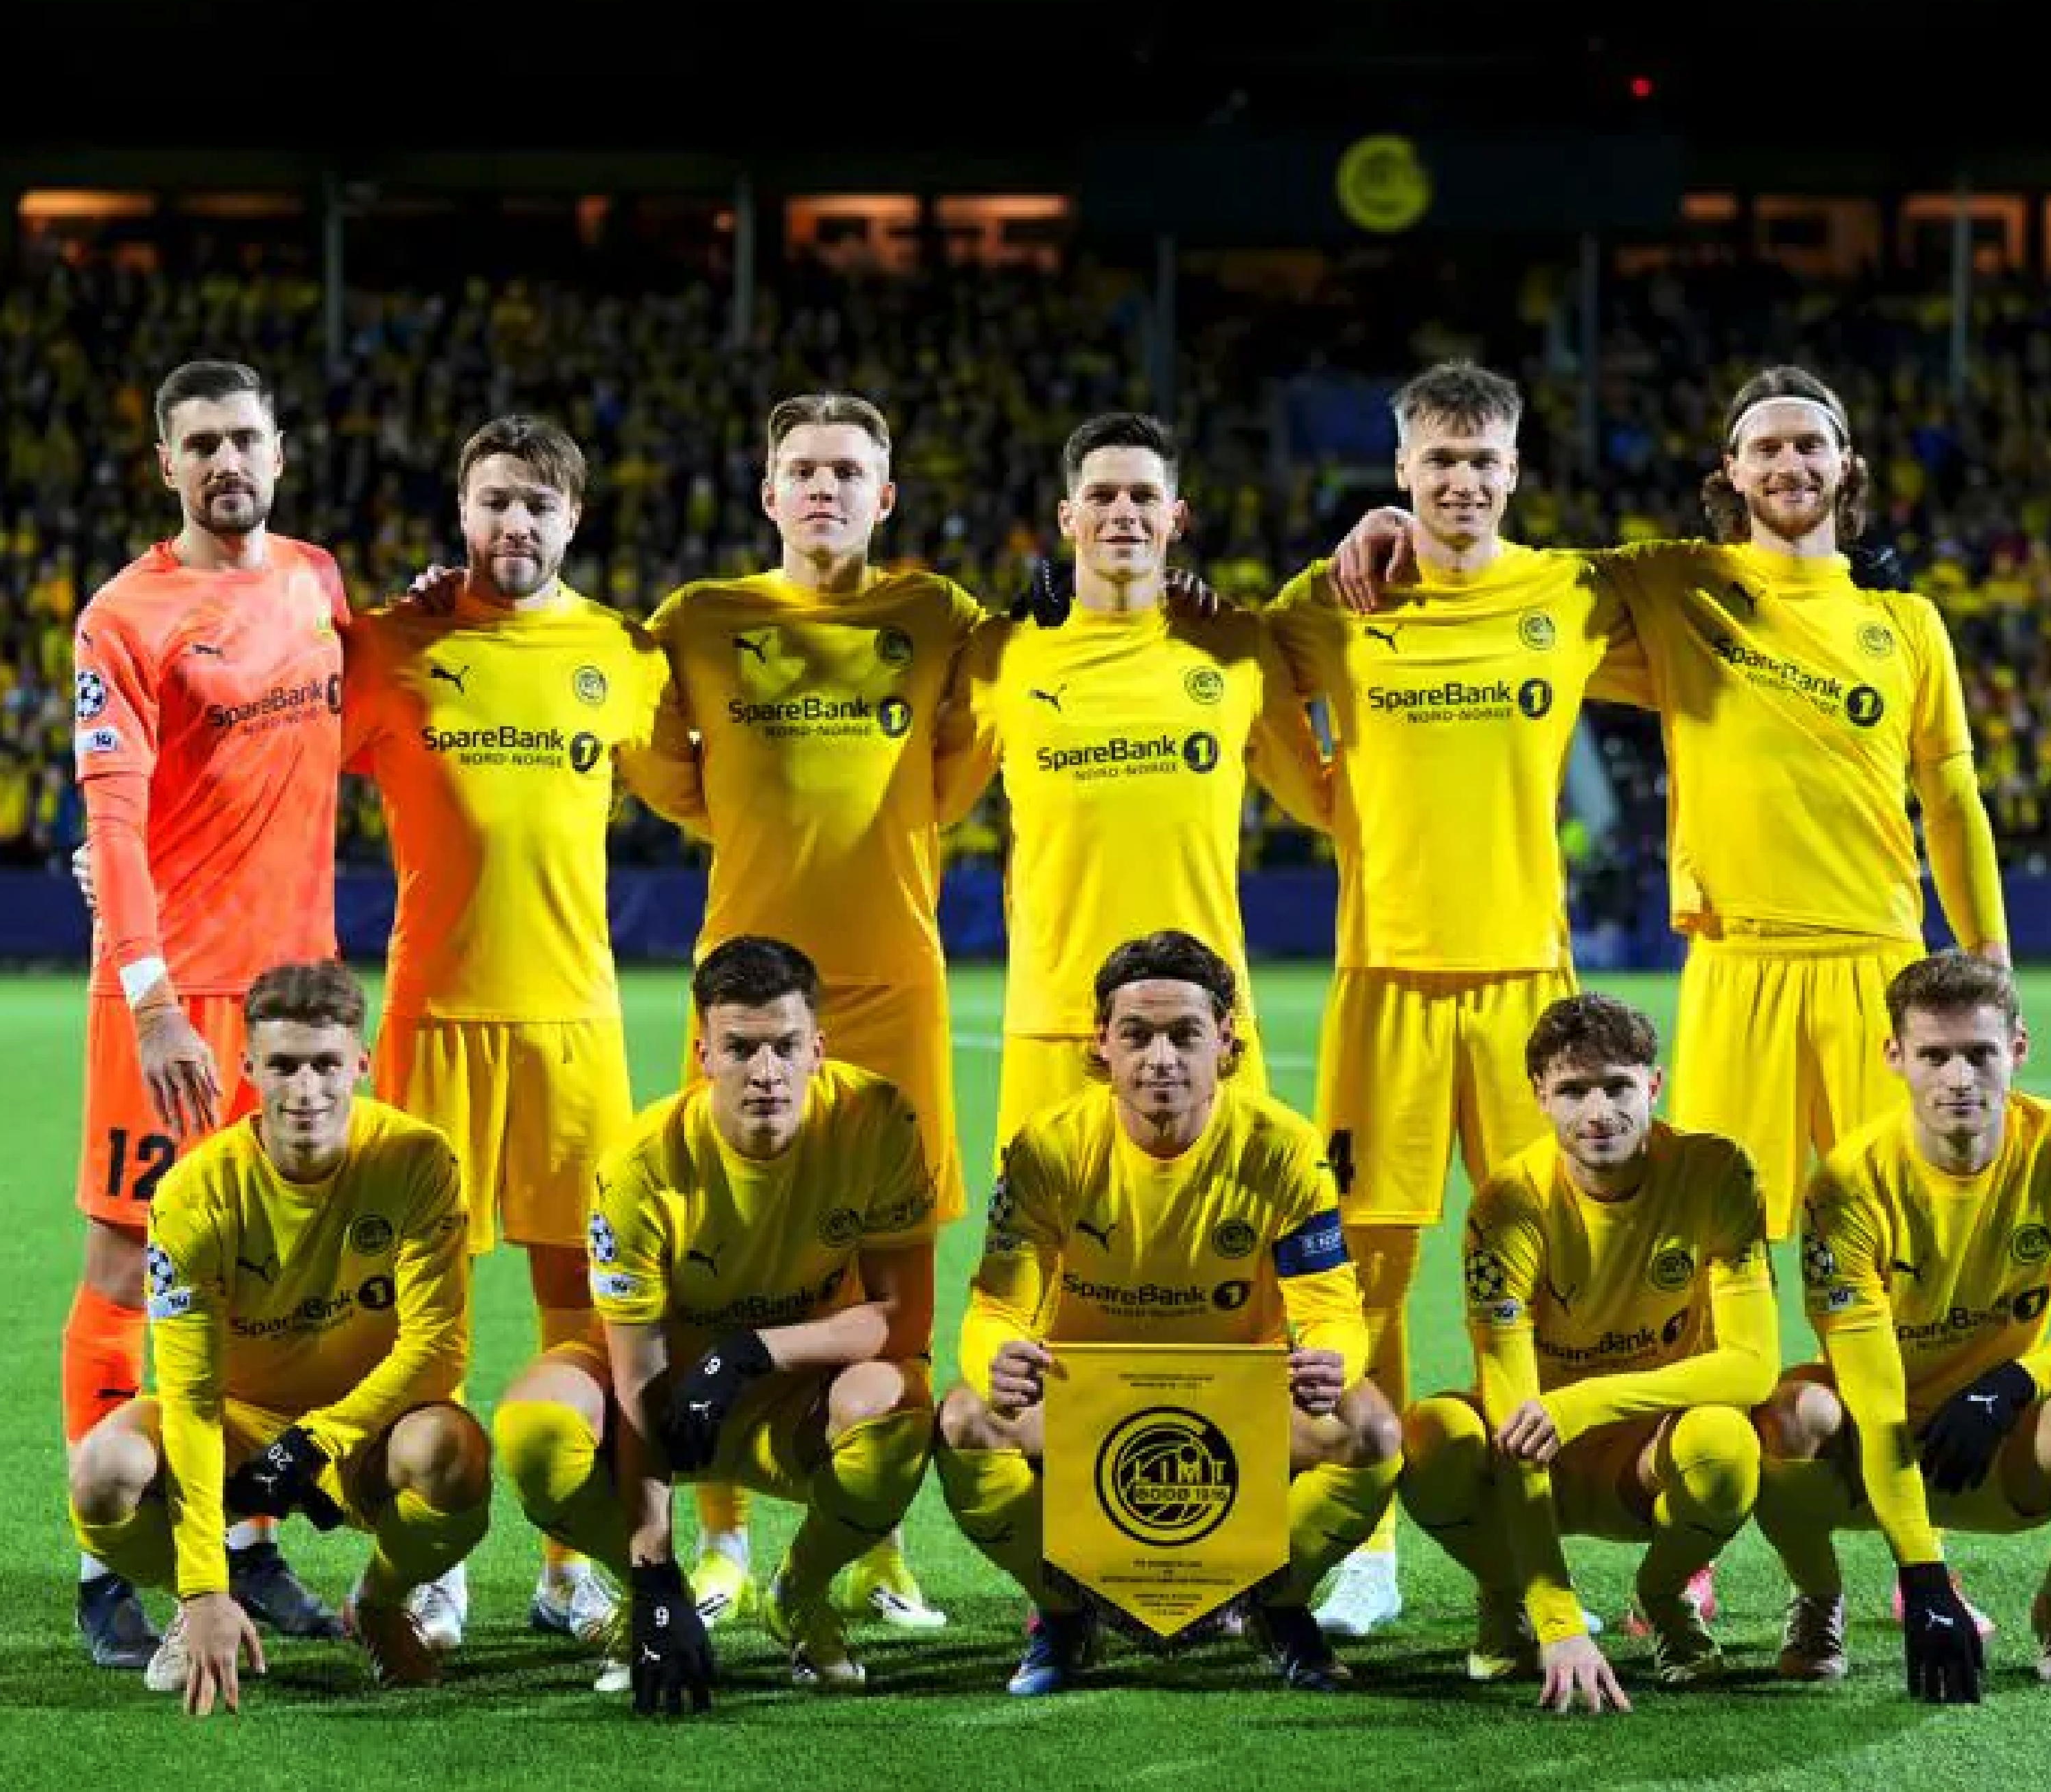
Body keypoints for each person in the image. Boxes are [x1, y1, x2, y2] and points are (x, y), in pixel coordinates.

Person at [1328, 365, 2010, 1242]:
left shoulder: (1909, 624)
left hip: (1877, 954)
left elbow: (1952, 800)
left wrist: (1989, 953)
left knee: (1902, 1230)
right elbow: (1502, 575)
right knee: (1719, 1238)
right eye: (1767, 447)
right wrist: (1398, 521)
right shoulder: (1673, 585)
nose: (1789, 464)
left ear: (1846, 464)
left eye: (1810, 445)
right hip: (1734, 961)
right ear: (1731, 470)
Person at [1261, 360, 1648, 1636]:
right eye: (1437, 461)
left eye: (1482, 462)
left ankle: (1525, 1526)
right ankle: (1368, 1536)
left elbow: (1695, 592)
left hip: (1528, 987)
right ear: (1400, 470)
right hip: (1383, 983)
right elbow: (1249, 667)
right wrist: (1328, 803)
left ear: (1515, 470)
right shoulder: (1338, 600)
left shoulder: (1567, 592)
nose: (1462, 482)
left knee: (1539, 1263)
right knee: (1363, 1274)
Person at [337, 414, 707, 1655]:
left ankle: (570, 1563)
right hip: (431, 1017)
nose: (515, 523)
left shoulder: (622, 653)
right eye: (495, 500)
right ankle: (432, 1560)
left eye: (538, 505)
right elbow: (271, 765)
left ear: (573, 518)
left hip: (572, 1023)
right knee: (419, 1313)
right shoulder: (391, 644)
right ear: (462, 510)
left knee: (586, 1307)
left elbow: (717, 791)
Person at [638, 392, 968, 1629]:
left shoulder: (936, 613)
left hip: (893, 985)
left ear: (885, 494)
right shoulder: (698, 620)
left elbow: (969, 755)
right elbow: (654, 761)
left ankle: (870, 1540)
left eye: (847, 470)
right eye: (802, 469)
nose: (824, 487)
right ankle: (720, 1536)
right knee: (717, 1263)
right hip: (745, 990)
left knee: (895, 1276)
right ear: (768, 492)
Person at [65, 358, 350, 1666]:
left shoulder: (317, 580)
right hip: (173, 1001)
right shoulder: (123, 617)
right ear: (166, 465)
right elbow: (114, 819)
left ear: (278, 451)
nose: (225, 461)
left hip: (298, 1000)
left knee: (263, 1278)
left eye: (244, 437)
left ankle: (243, 1536)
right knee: (130, 1265)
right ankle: (101, 1564)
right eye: (200, 444)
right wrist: (150, 998)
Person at [934, 928, 1401, 1696]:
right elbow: (996, 1306)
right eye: (1137, 1035)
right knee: (965, 1418)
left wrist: (1333, 1359)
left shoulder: (1283, 1148)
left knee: (1371, 1429)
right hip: (1088, 1402)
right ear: (1101, 1043)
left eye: (1184, 1035)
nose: (1161, 1059)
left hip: (1234, 1408)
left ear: (1225, 1040)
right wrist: (996, 1357)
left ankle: (1274, 1602)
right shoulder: (1047, 1148)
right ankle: (1065, 1611)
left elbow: (1332, 1309)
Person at [490, 935, 940, 1706]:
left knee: (895, 1410)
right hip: (665, 1404)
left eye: (785, 1047)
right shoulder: (639, 1165)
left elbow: (904, 1319)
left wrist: (750, 1351)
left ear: (818, 1049)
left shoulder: (876, 1119)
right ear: (704, 1055)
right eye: (740, 1049)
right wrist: (655, 1573)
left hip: (794, 1402)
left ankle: (800, 1591)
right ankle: (641, 1603)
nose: (766, 1072)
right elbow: (636, 1377)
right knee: (537, 1426)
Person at [64, 960, 491, 1713]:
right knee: (104, 1471)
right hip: (239, 1427)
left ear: (360, 1064)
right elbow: (192, 1396)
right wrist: (203, 1586)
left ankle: (381, 1603)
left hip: (370, 1429)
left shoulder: (417, 1161)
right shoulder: (193, 1194)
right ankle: (200, 1615)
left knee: (454, 1456)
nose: (306, 1090)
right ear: (249, 1068)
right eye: (285, 1066)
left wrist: (319, 1439)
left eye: (326, 1064)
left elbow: (437, 1350)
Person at [1752, 952, 2051, 1700]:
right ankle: (1818, 1598)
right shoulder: (1847, 1184)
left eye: (1980, 1053)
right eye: (1934, 1055)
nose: (1958, 1078)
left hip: (2002, 1446)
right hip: (1878, 1450)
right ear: (1895, 1056)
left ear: (2018, 1048)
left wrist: (2013, 1385)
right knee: (1789, 1414)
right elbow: (1872, 1394)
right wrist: (1923, 1575)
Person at [934, 410, 1330, 1159]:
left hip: (1209, 1020)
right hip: (1058, 1021)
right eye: (1103, 495)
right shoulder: (1001, 652)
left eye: (1144, 496)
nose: (1123, 512)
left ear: (1176, 516)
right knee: (1046, 1234)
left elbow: (1324, 801)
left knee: (1234, 1231)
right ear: (1068, 516)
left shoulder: (1237, 645)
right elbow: (929, 802)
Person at [1397, 993, 1774, 1711]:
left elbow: (1752, 1366)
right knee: (1430, 1437)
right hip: (1540, 1458)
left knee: (1727, 1445)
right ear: (1539, 1096)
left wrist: (1580, 1403)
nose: (1599, 1112)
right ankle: (1506, 1594)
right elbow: (1514, 1411)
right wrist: (1557, 1618)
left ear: (1653, 1086)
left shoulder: (1718, 1171)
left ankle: (1664, 1597)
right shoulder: (1507, 1204)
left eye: (1618, 1087)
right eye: (1573, 1091)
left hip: (1648, 1456)